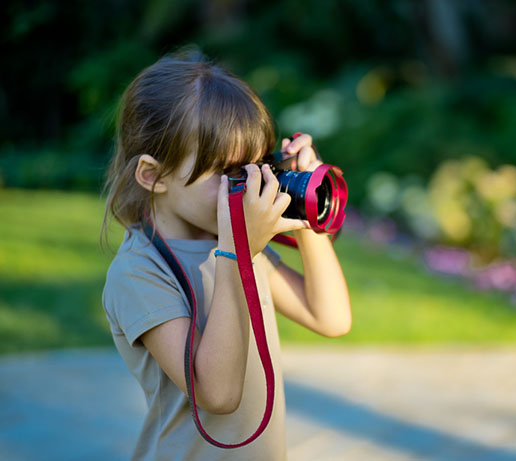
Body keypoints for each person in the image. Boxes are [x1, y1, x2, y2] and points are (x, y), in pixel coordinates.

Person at [101, 48, 352, 460]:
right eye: (227, 172)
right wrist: (239, 250)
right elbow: (217, 393)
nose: (250, 185)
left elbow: (331, 317)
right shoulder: (140, 272)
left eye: (256, 167)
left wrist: (305, 205)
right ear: (153, 175)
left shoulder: (235, 241)